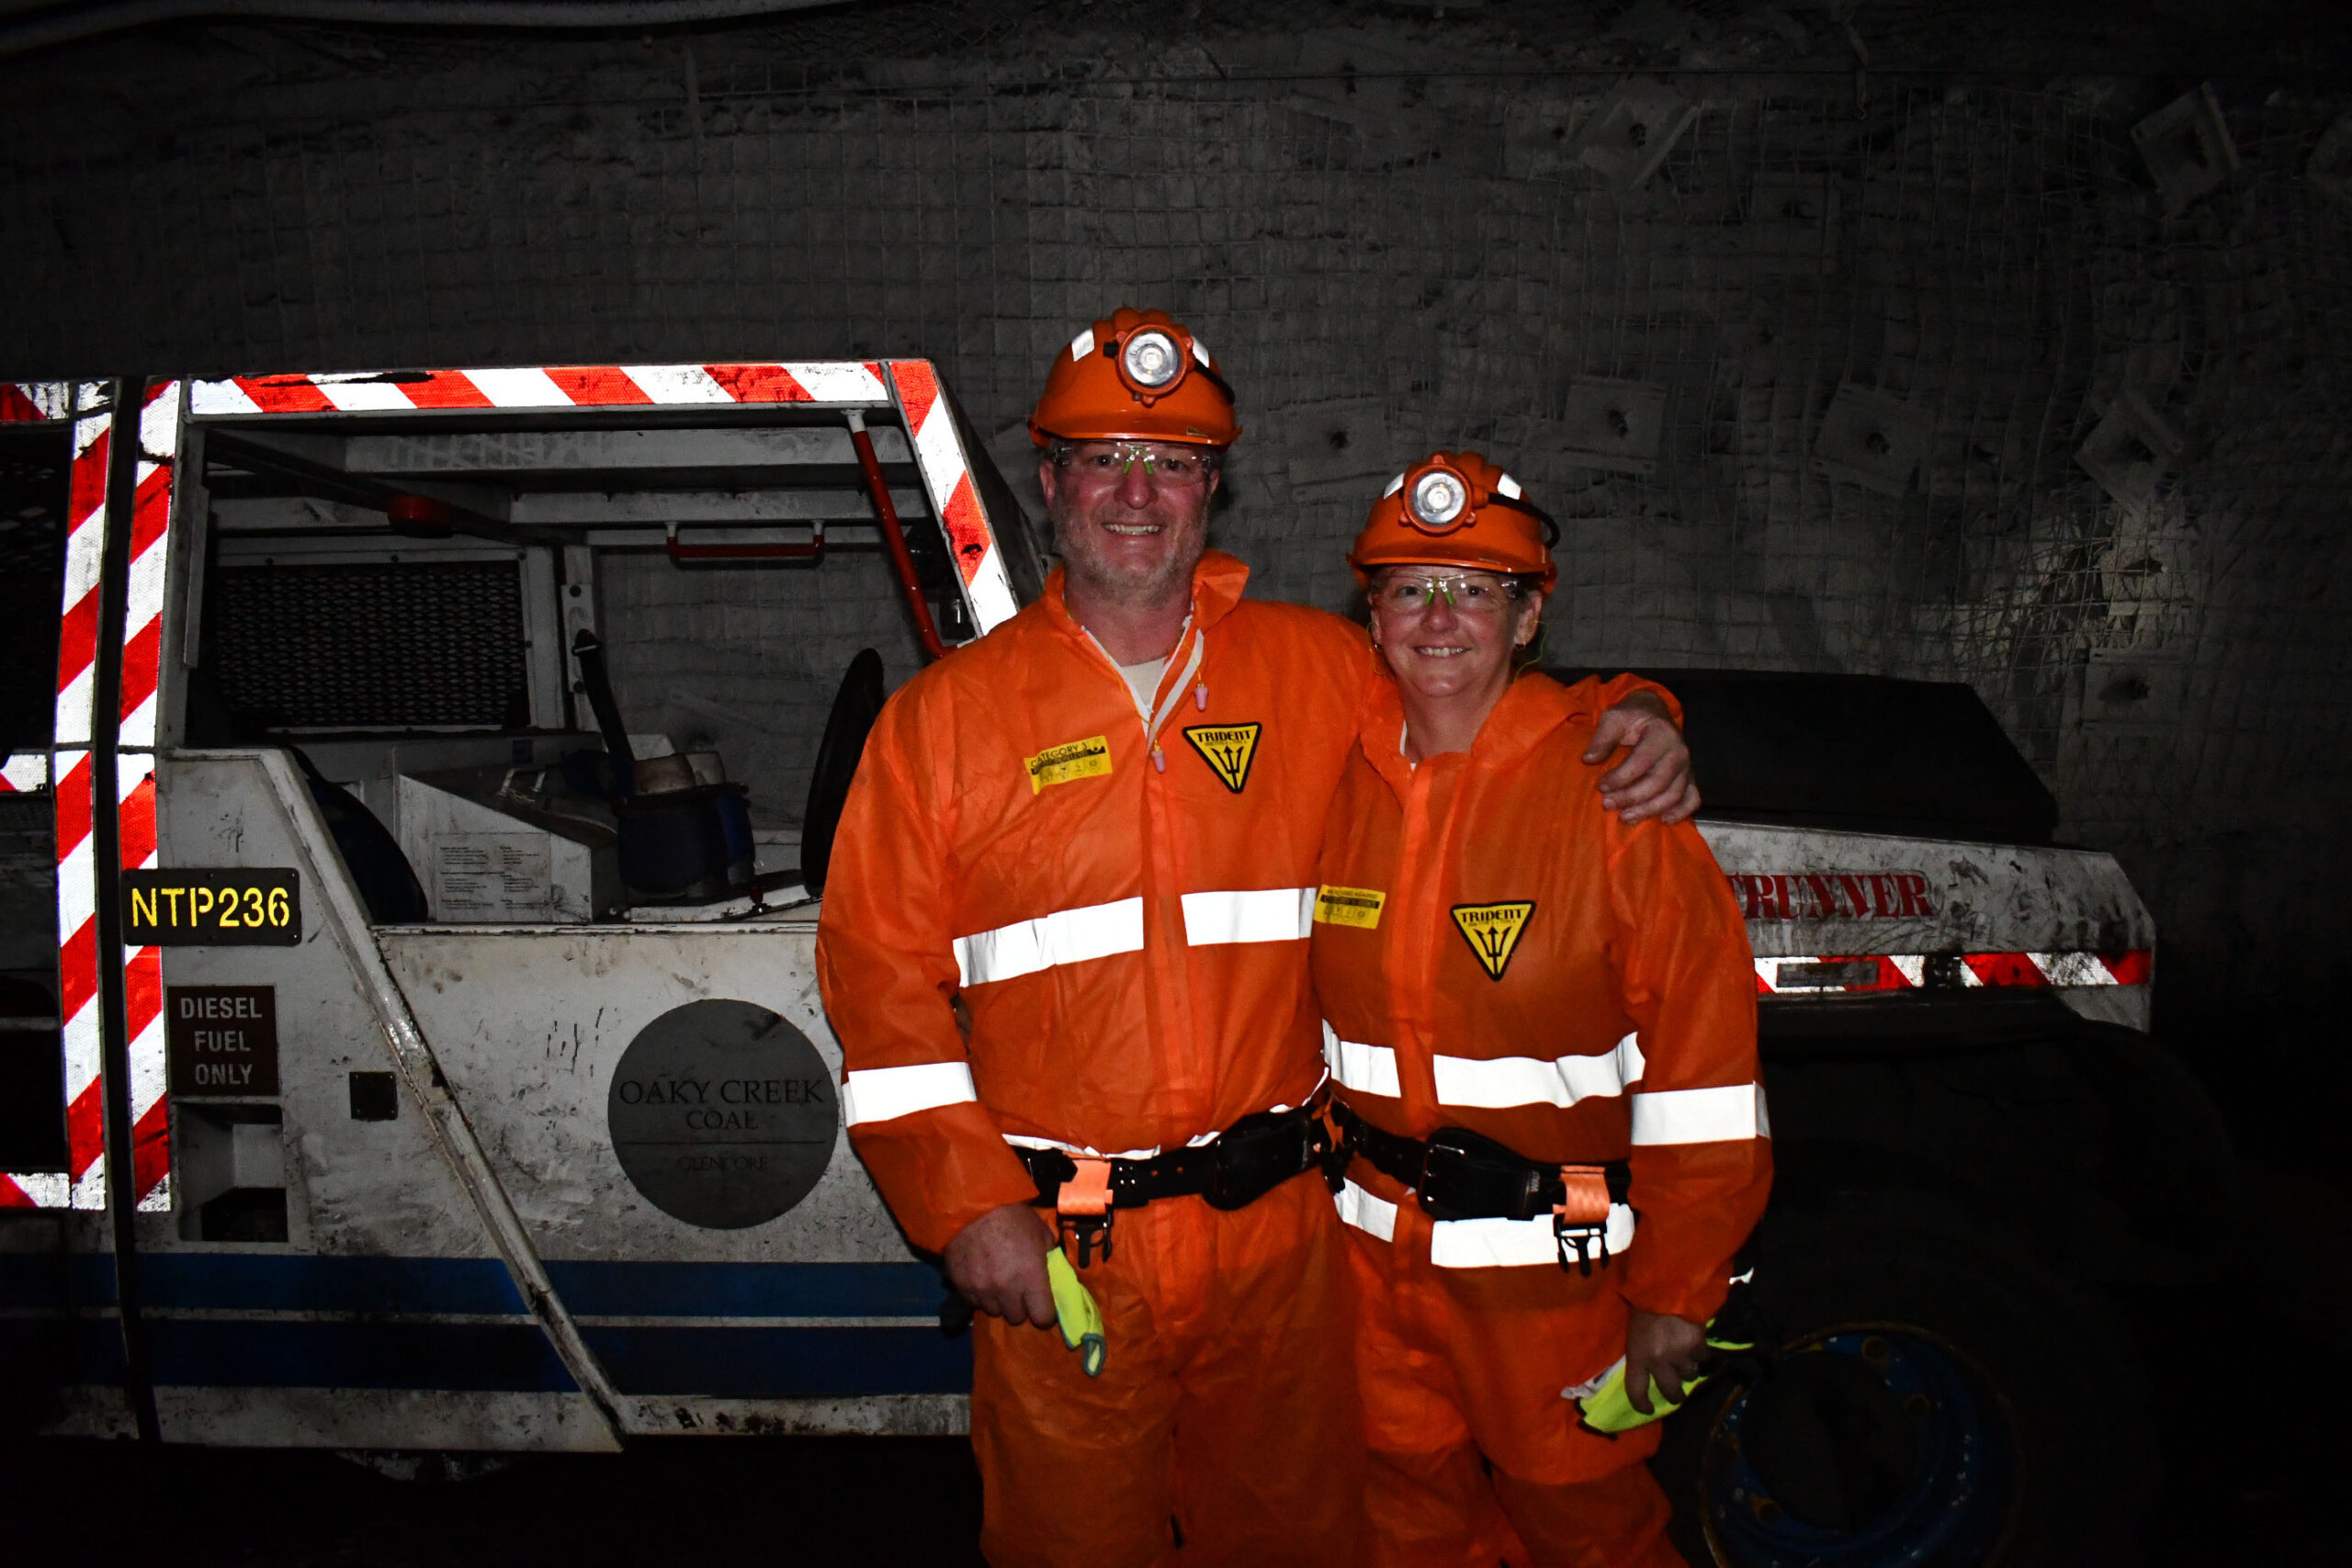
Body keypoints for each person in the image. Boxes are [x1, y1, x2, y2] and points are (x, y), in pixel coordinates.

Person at [814, 311, 1697, 1568]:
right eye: (1105, 458)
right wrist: (965, 1209)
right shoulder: (942, 724)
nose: (1136, 492)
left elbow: (1474, 686)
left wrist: (1636, 710)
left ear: (1211, 490)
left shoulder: (1313, 671)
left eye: (1171, 463)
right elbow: (879, 984)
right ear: (1051, 480)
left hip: (1282, 1246)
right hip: (1069, 1251)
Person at [1311, 449, 1772, 1567]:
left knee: (1590, 1539)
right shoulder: (1336, 772)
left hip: (1554, 1290)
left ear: (1526, 621)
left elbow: (1706, 1076)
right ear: (1372, 616)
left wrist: (1676, 1293)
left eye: (1474, 590)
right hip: (1370, 1282)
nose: (1438, 618)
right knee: (1404, 1535)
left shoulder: (1613, 797)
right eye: (1409, 588)